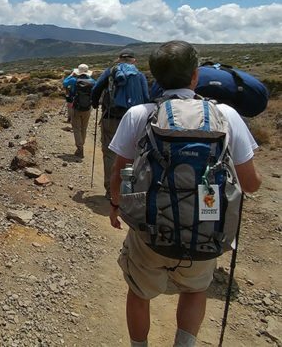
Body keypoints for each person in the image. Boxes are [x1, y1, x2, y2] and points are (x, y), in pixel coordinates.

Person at [108, 40, 262, 347]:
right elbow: (252, 184)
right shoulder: (226, 115)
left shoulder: (140, 114)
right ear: (195, 76)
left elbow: (119, 171)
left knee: (139, 291)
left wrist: (115, 204)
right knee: (194, 289)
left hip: (149, 227)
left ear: (154, 77)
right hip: (207, 224)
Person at [91, 48, 149, 197]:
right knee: (133, 154)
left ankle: (111, 190)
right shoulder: (139, 75)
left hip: (111, 117)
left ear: (119, 59)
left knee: (109, 153)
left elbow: (96, 88)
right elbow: (147, 97)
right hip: (134, 121)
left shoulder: (111, 71)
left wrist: (94, 103)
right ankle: (128, 190)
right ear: (134, 60)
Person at [62, 63, 96, 158]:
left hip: (76, 108)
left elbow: (65, 83)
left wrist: (71, 74)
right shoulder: (92, 81)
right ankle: (82, 144)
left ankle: (80, 148)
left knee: (76, 128)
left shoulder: (73, 80)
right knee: (84, 128)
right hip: (88, 108)